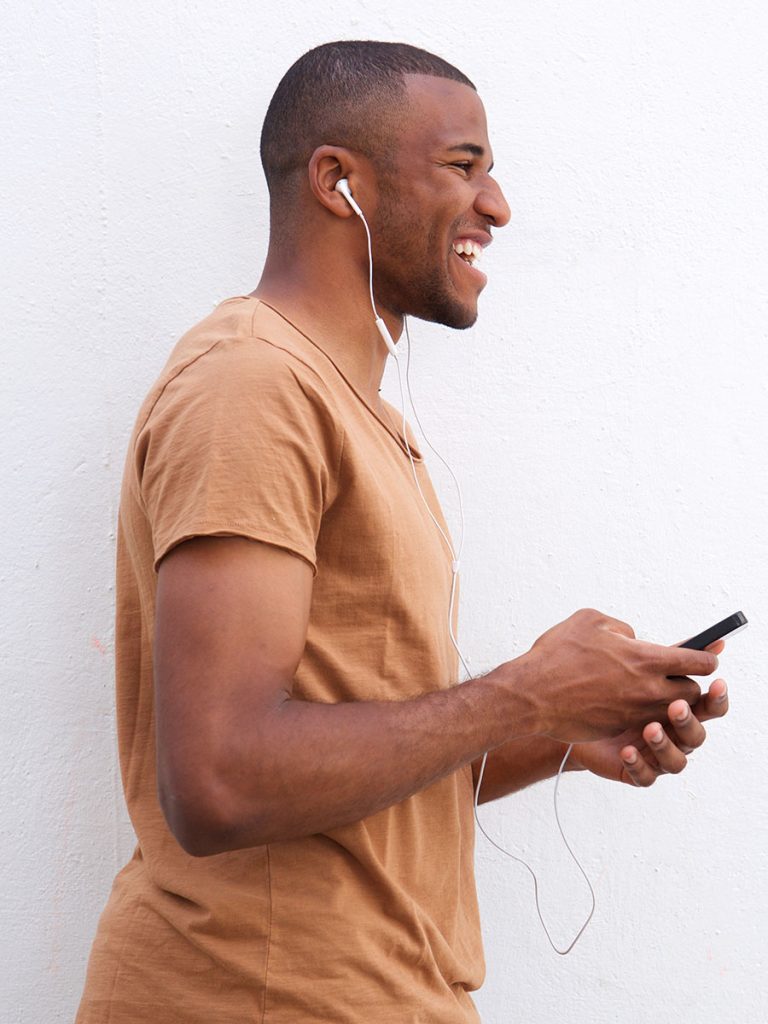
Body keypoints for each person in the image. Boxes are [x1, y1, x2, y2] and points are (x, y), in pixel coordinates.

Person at [75, 40, 729, 1024]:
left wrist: (558, 730)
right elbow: (219, 780)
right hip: (255, 997)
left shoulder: (356, 413)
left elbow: (350, 764)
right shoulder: (252, 387)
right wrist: (525, 692)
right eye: (464, 166)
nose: (496, 206)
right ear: (339, 181)